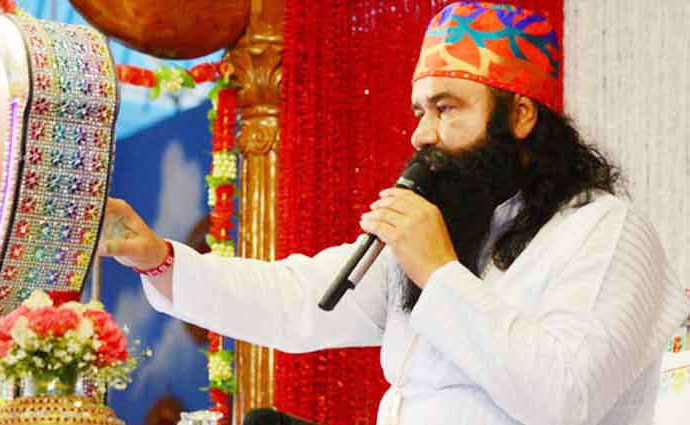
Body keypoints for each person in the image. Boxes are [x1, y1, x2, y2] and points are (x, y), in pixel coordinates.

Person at [98, 2, 690, 425]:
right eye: (419, 111)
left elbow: (566, 398)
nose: (421, 134)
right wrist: (158, 259)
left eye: (446, 109)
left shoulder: (605, 231)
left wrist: (438, 271)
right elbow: (300, 299)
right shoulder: (461, 232)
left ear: (520, 117)